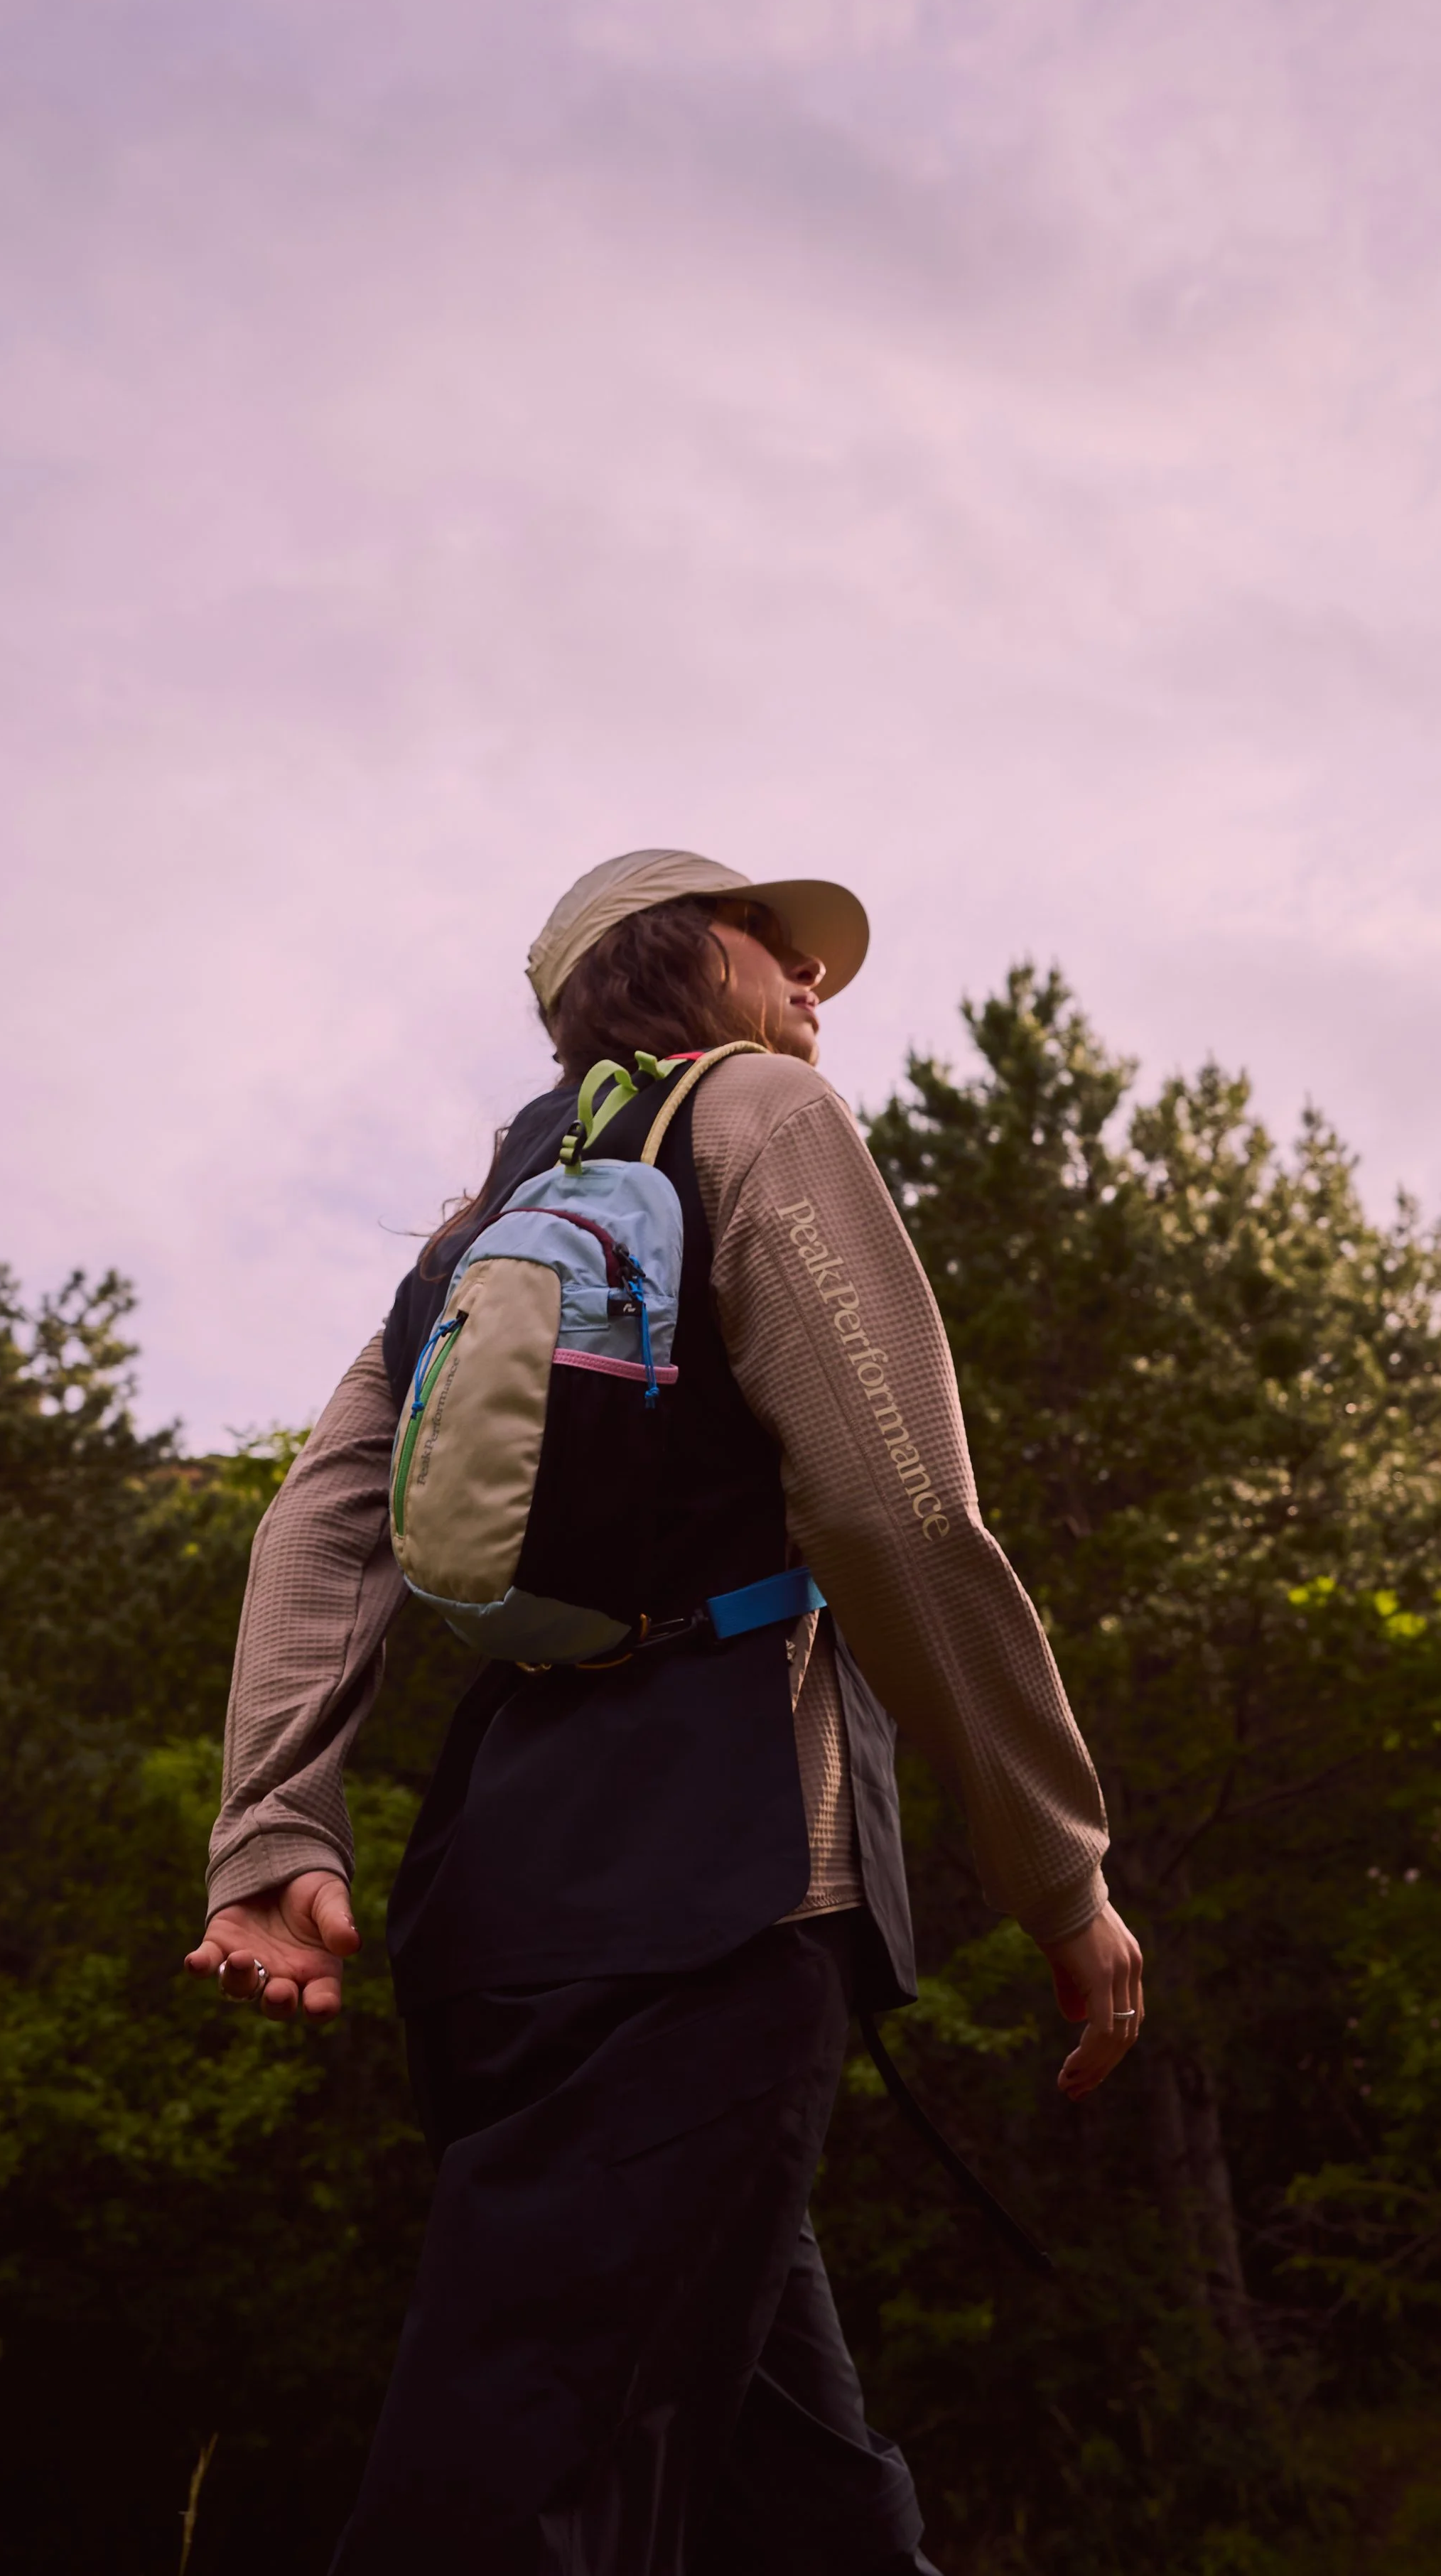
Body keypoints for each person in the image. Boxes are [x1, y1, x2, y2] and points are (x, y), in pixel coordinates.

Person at [185, 848, 1143, 2576]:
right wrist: (1054, 1870)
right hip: (717, 1896)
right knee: (508, 2484)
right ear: (671, 956)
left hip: (506, 1904)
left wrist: (271, 1829)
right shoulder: (758, 1113)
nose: (810, 976)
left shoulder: (480, 1220)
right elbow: (897, 1517)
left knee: (805, 2503)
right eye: (771, 937)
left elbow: (316, 1527)